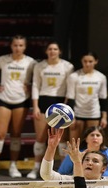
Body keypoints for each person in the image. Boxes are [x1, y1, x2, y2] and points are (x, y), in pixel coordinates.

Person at [0, 35, 36, 179]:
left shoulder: (31, 62)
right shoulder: (3, 60)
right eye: (15, 45)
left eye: (20, 45)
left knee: (16, 134)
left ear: (25, 47)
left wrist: (30, 87)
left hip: (21, 100)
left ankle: (13, 165)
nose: (18, 48)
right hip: (3, 99)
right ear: (11, 46)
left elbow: (38, 79)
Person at [27, 42, 74, 179]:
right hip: (43, 102)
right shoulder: (39, 66)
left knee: (62, 139)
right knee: (41, 137)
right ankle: (36, 167)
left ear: (59, 51)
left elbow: (69, 88)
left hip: (60, 104)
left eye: (55, 49)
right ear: (46, 51)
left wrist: (65, 106)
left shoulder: (67, 66)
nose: (52, 51)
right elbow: (35, 85)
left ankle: (63, 169)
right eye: (50, 49)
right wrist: (35, 106)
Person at [66, 52, 108, 143]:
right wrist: (71, 118)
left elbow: (103, 98)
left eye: (90, 61)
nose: (87, 64)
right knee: (74, 144)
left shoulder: (101, 77)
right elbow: (70, 97)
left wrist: (104, 117)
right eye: (85, 61)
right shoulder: (74, 76)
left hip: (94, 113)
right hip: (77, 113)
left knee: (93, 144)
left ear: (96, 61)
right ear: (82, 61)